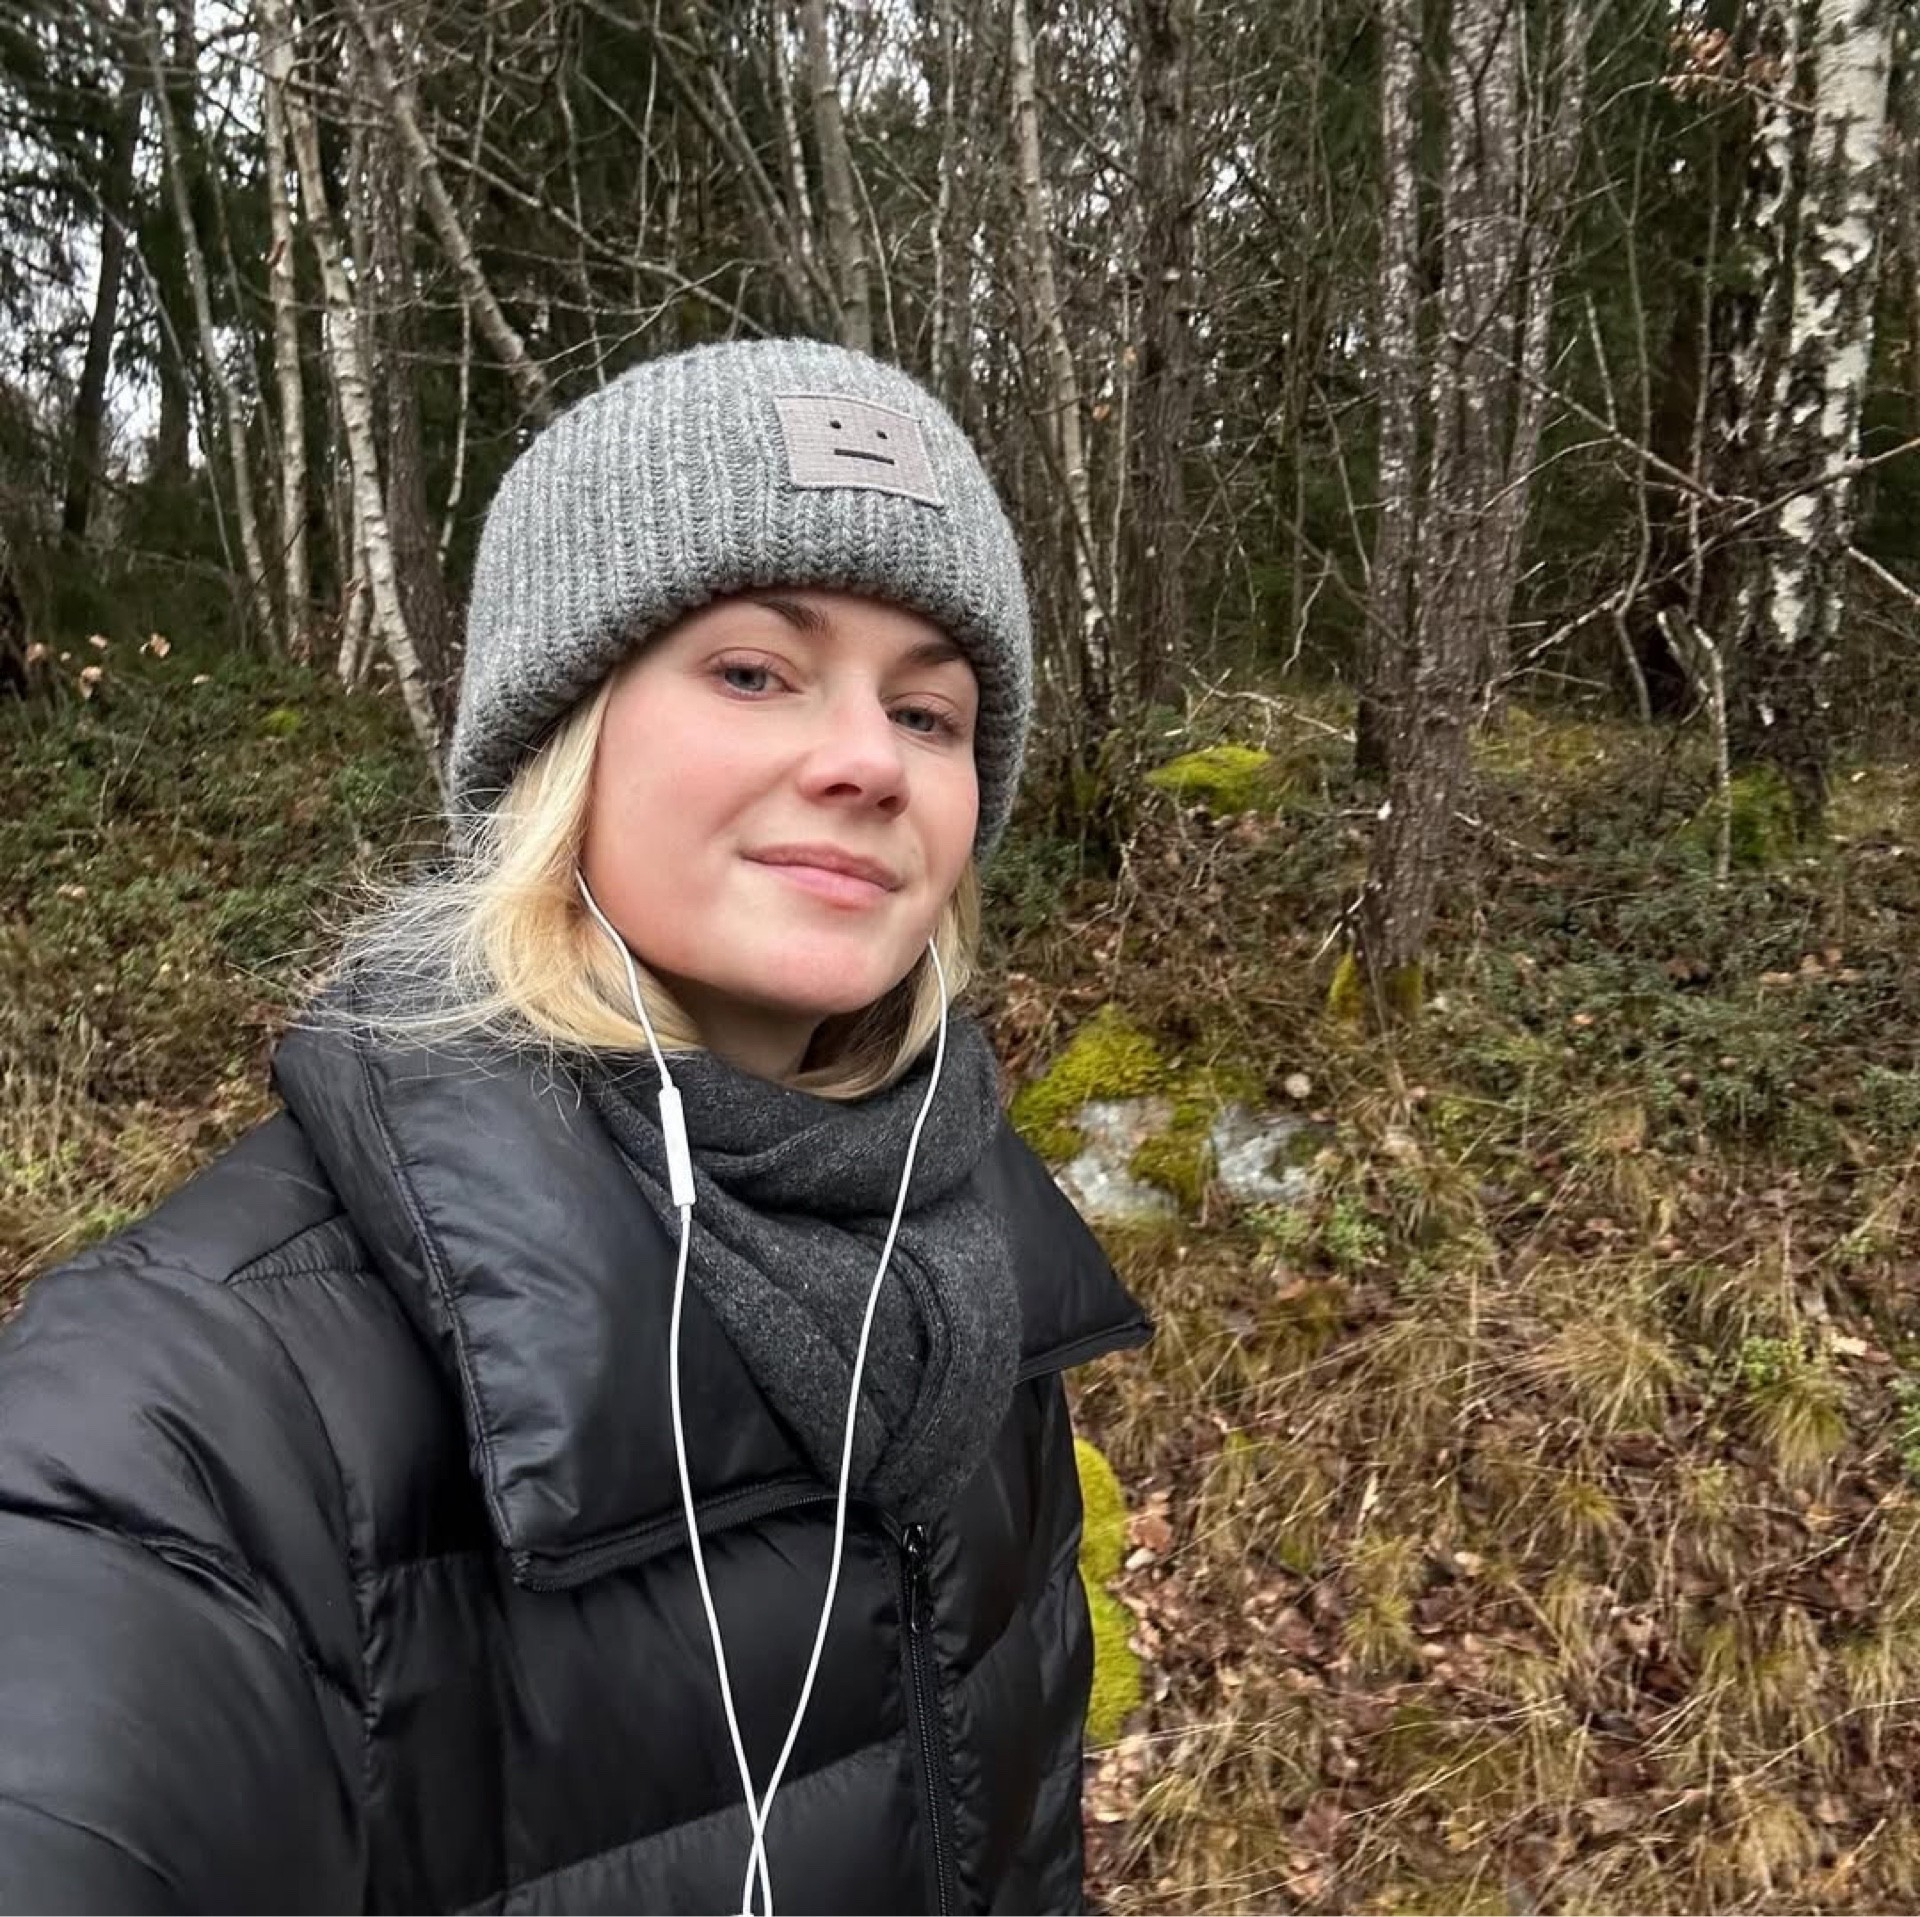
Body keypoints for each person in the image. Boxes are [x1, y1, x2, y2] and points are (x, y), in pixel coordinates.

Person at [0, 340, 1150, 1915]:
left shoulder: (954, 1271)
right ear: (560, 731)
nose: (868, 762)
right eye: (753, 671)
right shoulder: (188, 1416)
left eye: (929, 710)